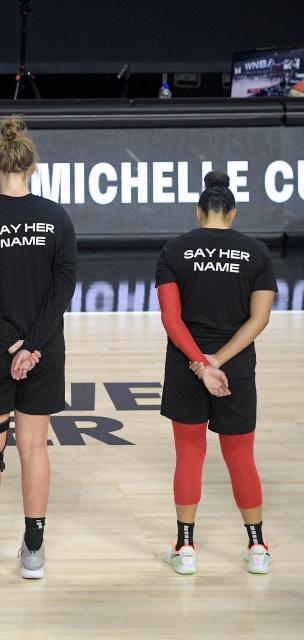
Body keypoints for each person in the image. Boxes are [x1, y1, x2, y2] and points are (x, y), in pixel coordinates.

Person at [0, 116, 77, 580]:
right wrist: (33, 344)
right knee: (33, 446)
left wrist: (10, 343)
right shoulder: (56, 218)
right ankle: (33, 551)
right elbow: (63, 290)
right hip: (44, 350)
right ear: (33, 166)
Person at [156, 171, 277, 576]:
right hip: (236, 368)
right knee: (241, 456)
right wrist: (219, 361)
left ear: (199, 211)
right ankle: (257, 546)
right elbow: (259, 319)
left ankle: (185, 548)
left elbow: (171, 320)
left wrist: (201, 363)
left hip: (186, 367)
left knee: (190, 453)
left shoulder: (175, 249)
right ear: (233, 214)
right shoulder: (256, 253)